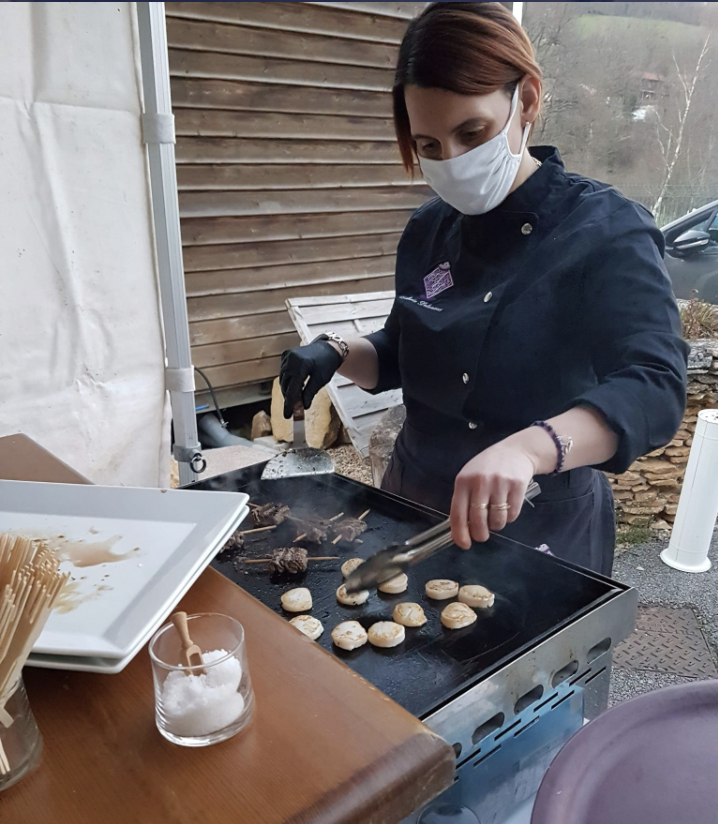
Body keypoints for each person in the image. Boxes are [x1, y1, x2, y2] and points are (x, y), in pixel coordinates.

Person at [279, 2, 688, 576]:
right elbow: (401, 355)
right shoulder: (428, 228)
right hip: (412, 503)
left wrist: (529, 447)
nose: (453, 161)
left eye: (472, 132)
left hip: (540, 526)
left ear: (526, 99)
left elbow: (655, 387)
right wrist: (336, 352)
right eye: (428, 146)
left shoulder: (605, 230)